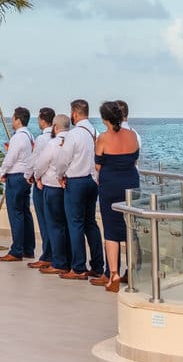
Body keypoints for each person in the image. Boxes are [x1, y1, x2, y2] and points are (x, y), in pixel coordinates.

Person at [94, 100, 139, 293]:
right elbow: (135, 158)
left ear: (104, 118)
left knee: (111, 231)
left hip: (110, 185)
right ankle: (133, 272)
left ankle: (114, 274)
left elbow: (97, 165)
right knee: (131, 228)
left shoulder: (103, 138)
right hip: (130, 183)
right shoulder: (132, 135)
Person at [61, 98, 103, 281]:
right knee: (90, 223)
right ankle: (97, 266)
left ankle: (78, 267)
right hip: (93, 181)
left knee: (75, 224)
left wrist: (59, 175)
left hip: (76, 182)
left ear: (75, 113)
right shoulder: (96, 132)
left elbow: (63, 159)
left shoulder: (74, 134)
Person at [34, 114, 71, 275]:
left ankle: (58, 261)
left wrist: (36, 177)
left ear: (55, 127)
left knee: (54, 226)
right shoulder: (73, 141)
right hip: (68, 188)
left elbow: (41, 164)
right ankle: (68, 259)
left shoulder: (53, 143)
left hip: (53, 186)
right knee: (66, 226)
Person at [0, 106, 35, 264]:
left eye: (13, 117)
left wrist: (1, 172)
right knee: (25, 212)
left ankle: (17, 250)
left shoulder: (18, 137)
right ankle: (28, 248)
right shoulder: (29, 135)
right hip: (25, 176)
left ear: (18, 120)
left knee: (16, 213)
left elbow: (11, 158)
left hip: (16, 176)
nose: (11, 120)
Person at [28, 105, 55, 265]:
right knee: (55, 221)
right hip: (55, 183)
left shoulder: (42, 139)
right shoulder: (58, 137)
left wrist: (31, 176)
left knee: (45, 221)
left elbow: (36, 161)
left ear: (42, 120)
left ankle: (47, 255)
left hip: (42, 182)